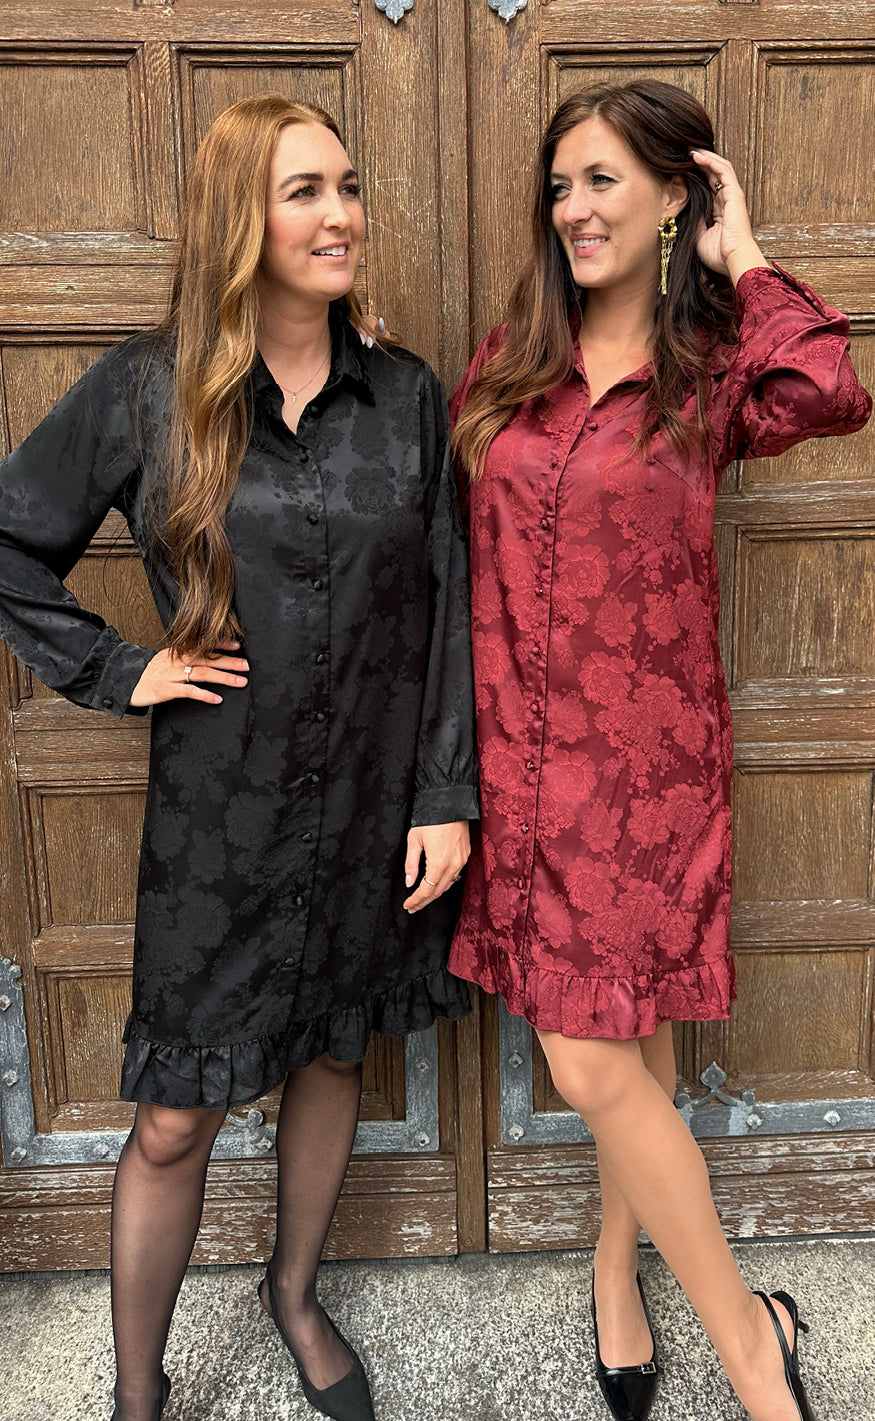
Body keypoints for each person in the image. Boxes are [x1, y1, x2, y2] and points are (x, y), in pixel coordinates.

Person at [0, 95, 477, 1421]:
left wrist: (445, 793)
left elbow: (451, 601)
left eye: (349, 186)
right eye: (303, 191)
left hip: (372, 803)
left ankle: (294, 1293)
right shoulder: (147, 392)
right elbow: (11, 539)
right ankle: (137, 1395)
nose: (341, 216)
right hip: (223, 817)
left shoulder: (406, 397)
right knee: (172, 1117)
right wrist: (121, 669)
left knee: (332, 1055)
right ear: (238, 222)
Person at [448, 79, 871, 1421]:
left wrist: (744, 254)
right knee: (604, 1055)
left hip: (646, 779)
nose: (573, 209)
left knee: (614, 1048)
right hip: (521, 772)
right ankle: (650, 1291)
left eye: (603, 181)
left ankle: (740, 1343)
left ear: (674, 194)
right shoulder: (509, 362)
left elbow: (832, 388)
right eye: (559, 186)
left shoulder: (716, 374)